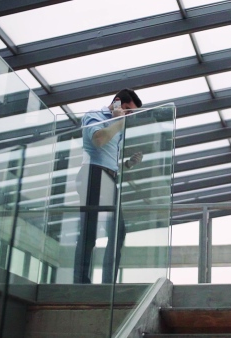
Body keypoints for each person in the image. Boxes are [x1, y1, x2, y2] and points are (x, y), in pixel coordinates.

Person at [74, 88, 143, 284]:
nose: (129, 116)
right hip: (92, 174)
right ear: (117, 102)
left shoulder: (117, 126)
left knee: (118, 231)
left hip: (109, 177)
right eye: (128, 110)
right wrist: (118, 121)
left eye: (131, 114)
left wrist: (128, 164)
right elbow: (99, 140)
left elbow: (110, 160)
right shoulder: (94, 116)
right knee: (89, 230)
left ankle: (108, 282)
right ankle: (81, 281)